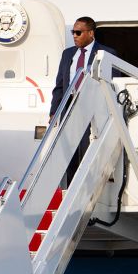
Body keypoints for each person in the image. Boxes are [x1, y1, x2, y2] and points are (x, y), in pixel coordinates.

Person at [48, 17, 116, 185]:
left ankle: (88, 187)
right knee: (69, 151)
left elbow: (113, 85)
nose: (75, 36)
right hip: (70, 106)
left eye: (78, 32)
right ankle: (71, 188)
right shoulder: (68, 54)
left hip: (92, 108)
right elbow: (59, 85)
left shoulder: (107, 53)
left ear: (91, 33)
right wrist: (54, 111)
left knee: (87, 149)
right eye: (73, 32)